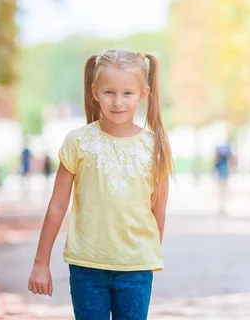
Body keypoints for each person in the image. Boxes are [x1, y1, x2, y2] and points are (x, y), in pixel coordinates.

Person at [28, 50, 173, 320]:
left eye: (127, 93)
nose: (118, 102)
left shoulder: (156, 148)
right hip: (87, 267)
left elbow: (158, 211)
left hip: (135, 269)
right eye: (109, 92)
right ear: (95, 92)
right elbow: (58, 205)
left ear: (144, 94)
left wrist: (146, 256)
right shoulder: (78, 142)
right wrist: (40, 262)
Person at [213, 138, 234, 214]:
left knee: (221, 191)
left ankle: (221, 207)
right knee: (222, 191)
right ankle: (221, 207)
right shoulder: (224, 161)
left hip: (222, 176)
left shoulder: (220, 162)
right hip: (223, 175)